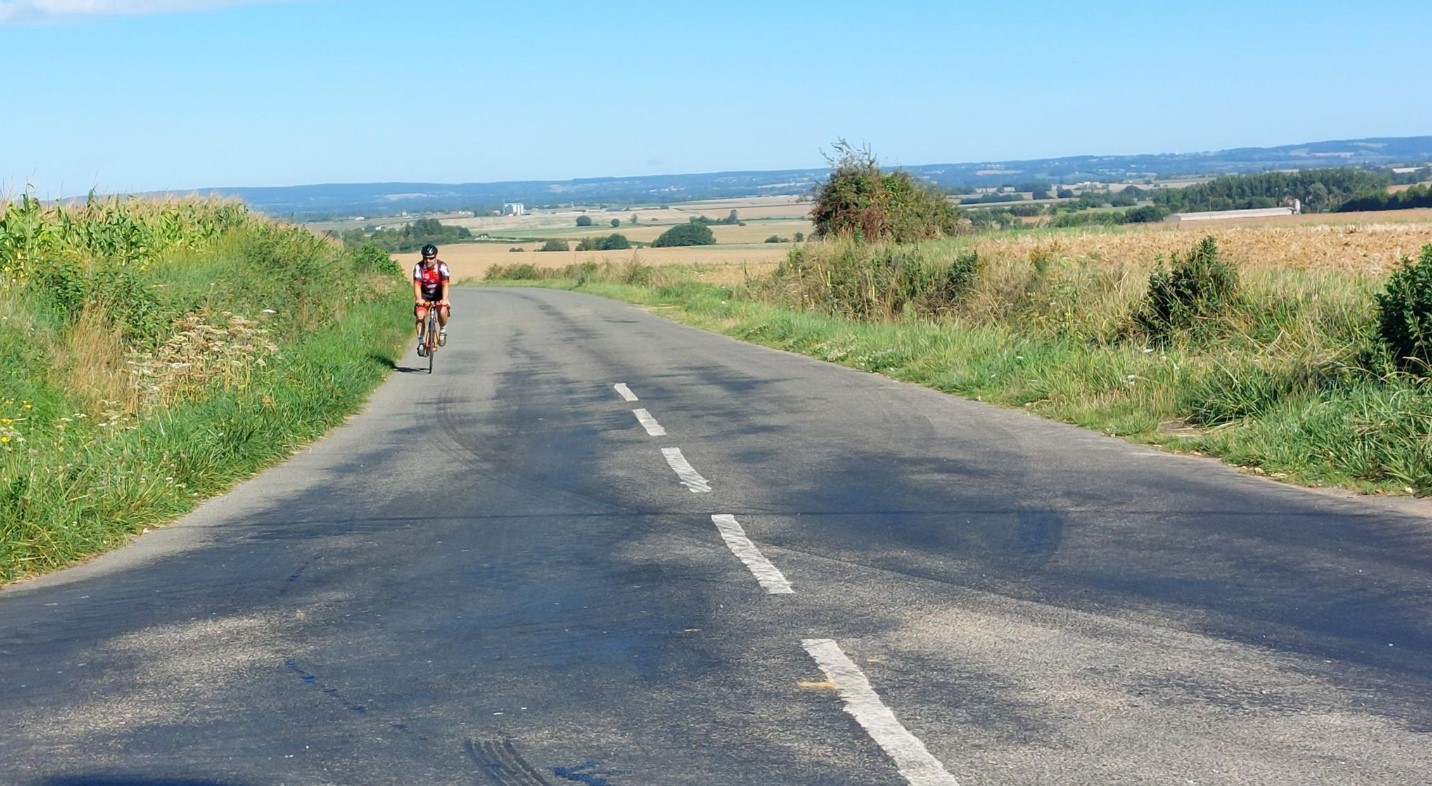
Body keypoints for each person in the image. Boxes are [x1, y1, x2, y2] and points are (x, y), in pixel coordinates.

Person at [412, 243, 450, 356]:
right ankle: (421, 342)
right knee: (420, 315)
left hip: (439, 294)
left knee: (443, 310)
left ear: (436, 256)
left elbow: (445, 285)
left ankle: (442, 331)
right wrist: (419, 299)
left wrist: (444, 299)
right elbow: (417, 285)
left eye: (431, 258)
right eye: (425, 258)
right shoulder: (418, 267)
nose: (428, 260)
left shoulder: (442, 267)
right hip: (424, 295)